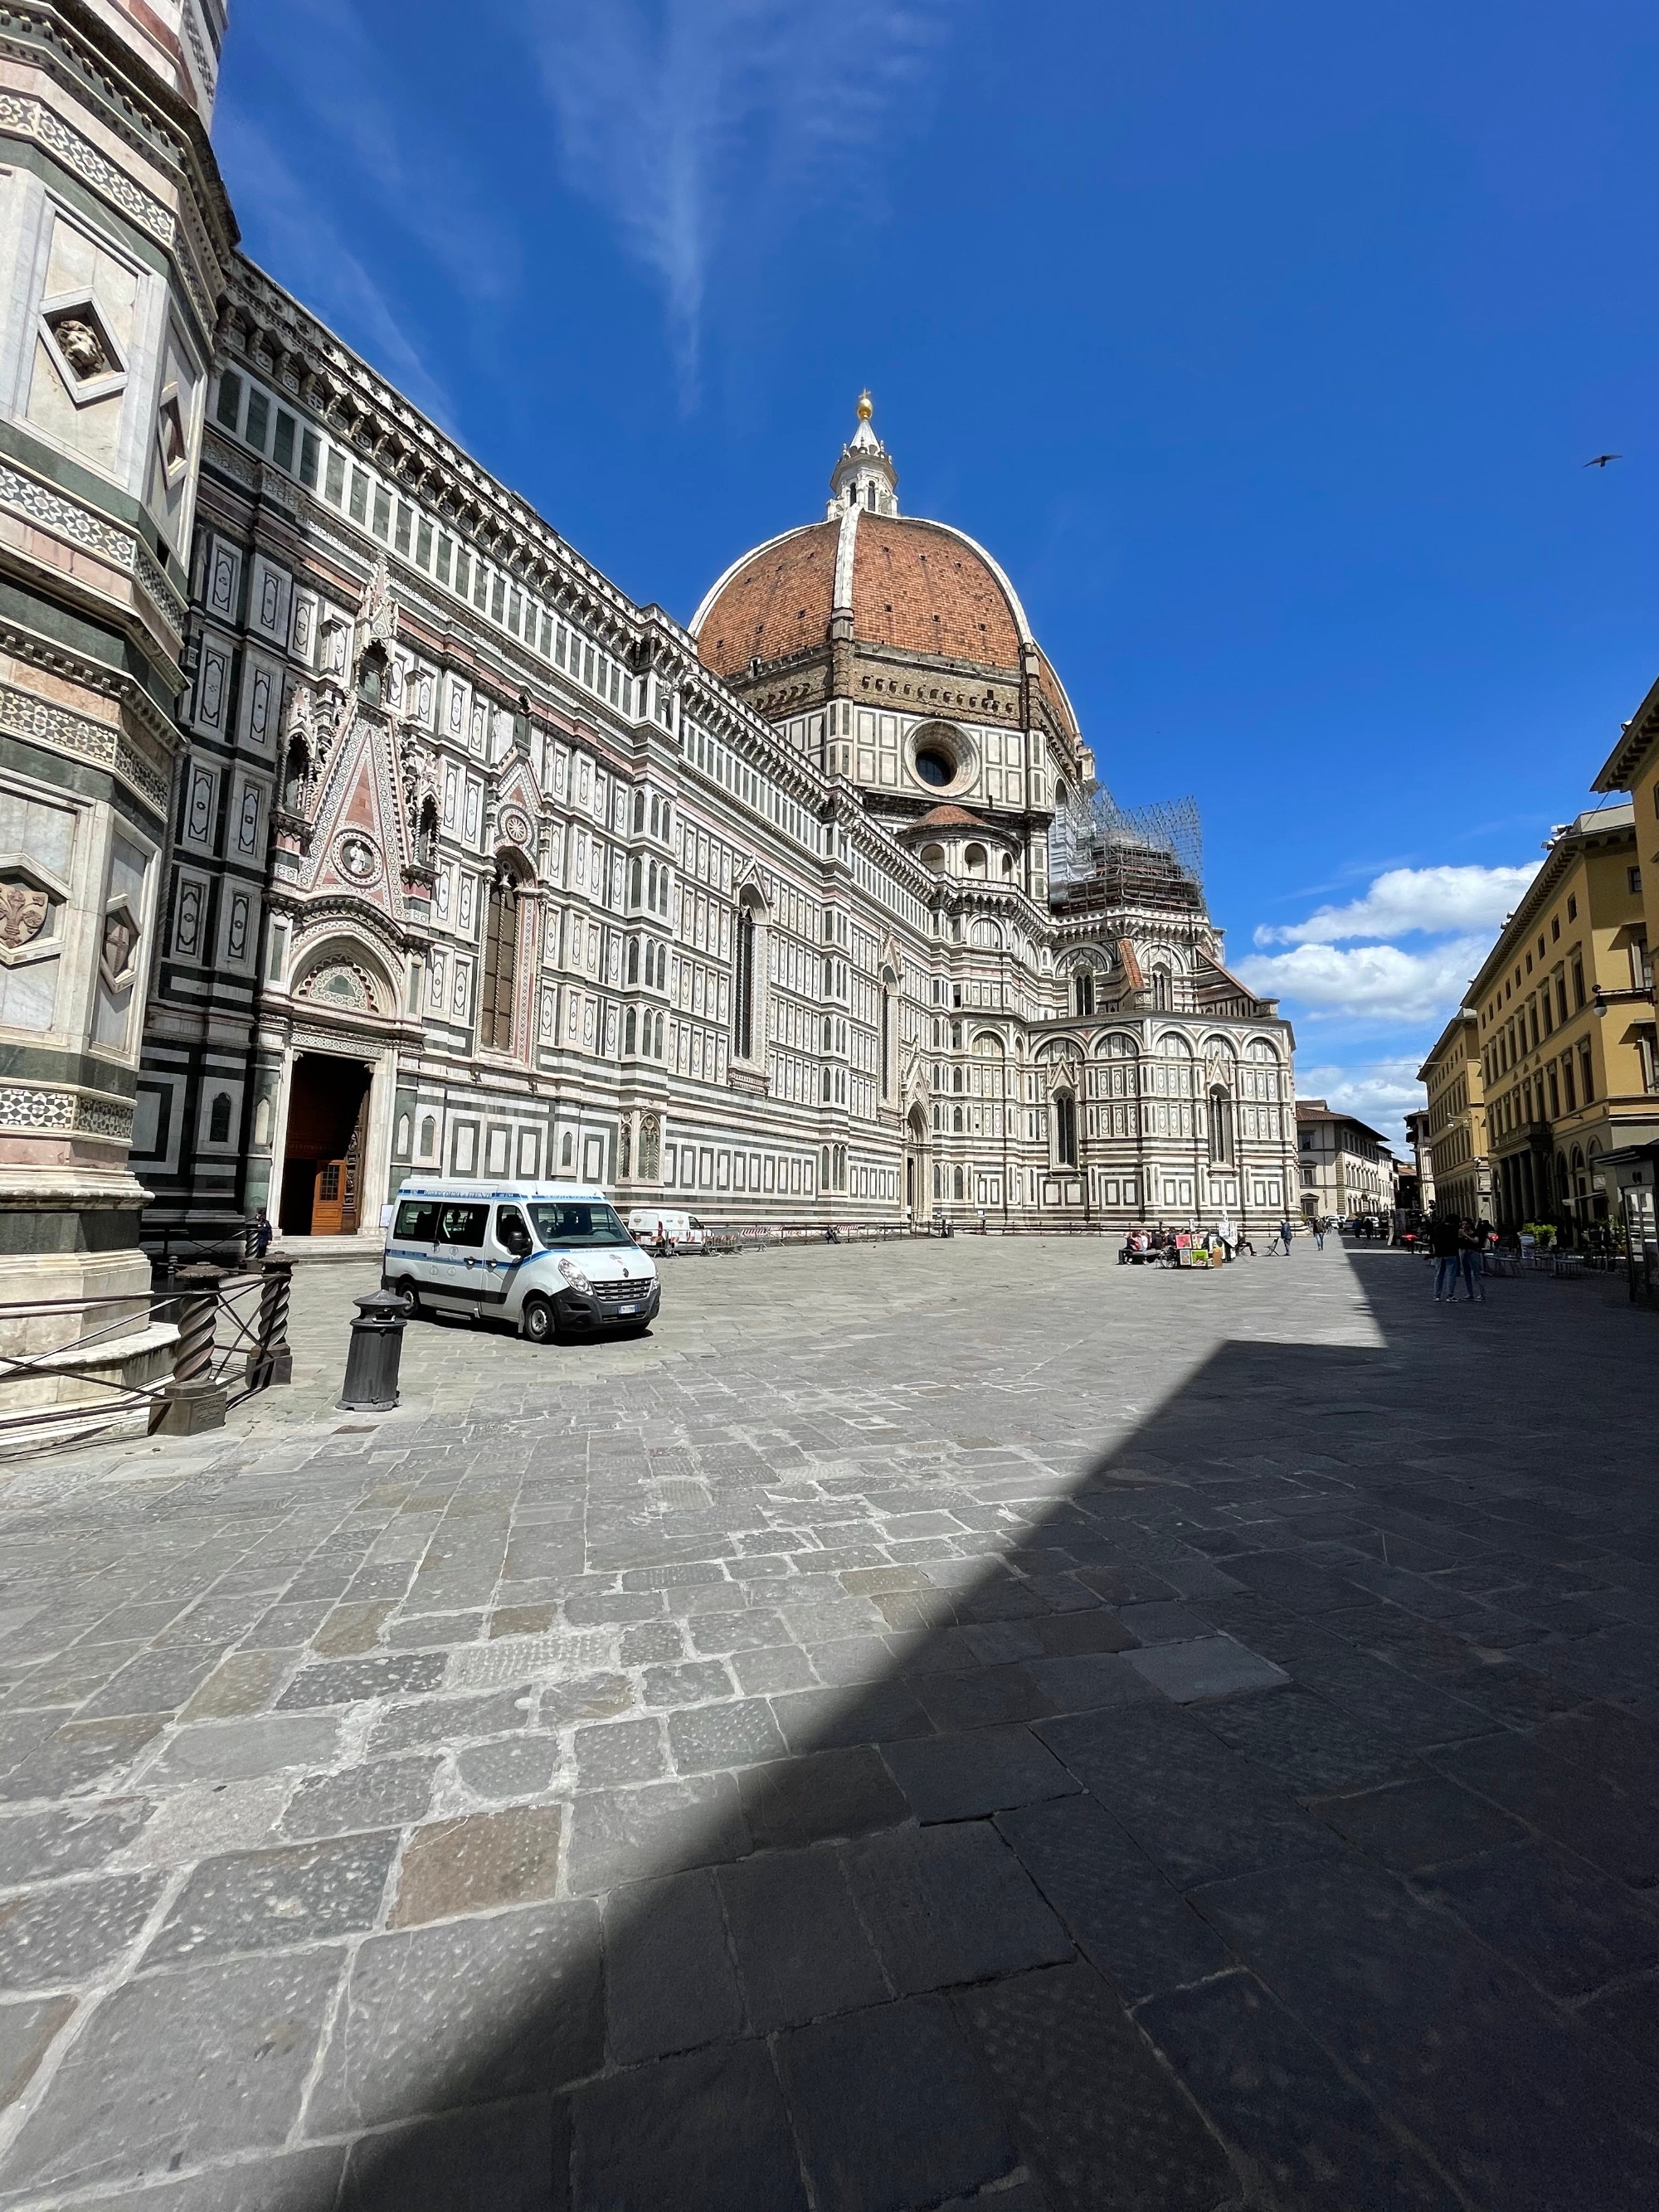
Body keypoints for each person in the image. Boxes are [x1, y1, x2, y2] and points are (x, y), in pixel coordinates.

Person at [1428, 1213, 1462, 1301]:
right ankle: (1450, 1295)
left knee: (1439, 1275)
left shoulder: (1437, 1228)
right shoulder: (1454, 1229)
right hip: (1451, 1253)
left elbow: (1432, 1240)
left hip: (1439, 1254)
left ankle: (1437, 1295)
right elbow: (1457, 1241)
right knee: (1451, 1275)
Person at [1457, 1218, 1486, 1304]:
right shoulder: (1461, 1233)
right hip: (1464, 1253)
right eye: (1463, 1224)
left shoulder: (1476, 1232)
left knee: (1477, 1273)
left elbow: (1475, 1241)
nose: (1464, 1226)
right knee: (1466, 1274)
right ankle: (1470, 1293)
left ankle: (1482, 1294)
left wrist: (1466, 1235)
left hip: (1473, 1253)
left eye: (1466, 1224)